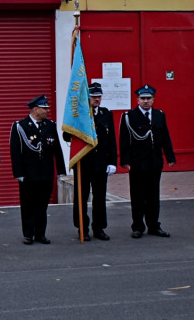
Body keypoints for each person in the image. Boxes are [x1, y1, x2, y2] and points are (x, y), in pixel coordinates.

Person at [119, 85, 175, 239]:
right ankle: (137, 226)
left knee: (153, 196)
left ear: (153, 100)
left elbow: (165, 137)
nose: (145, 101)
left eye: (148, 98)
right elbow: (124, 140)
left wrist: (170, 157)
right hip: (137, 163)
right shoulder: (129, 117)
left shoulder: (159, 115)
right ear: (137, 100)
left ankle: (153, 225)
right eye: (143, 98)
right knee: (137, 196)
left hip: (154, 162)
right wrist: (125, 160)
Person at [63, 83, 117, 241]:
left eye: (99, 97)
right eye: (94, 97)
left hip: (101, 163)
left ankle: (99, 228)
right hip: (83, 163)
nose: (97, 100)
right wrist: (71, 123)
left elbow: (111, 140)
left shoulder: (106, 114)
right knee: (81, 196)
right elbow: (67, 137)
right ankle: (82, 227)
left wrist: (112, 162)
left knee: (99, 197)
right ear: (88, 98)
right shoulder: (79, 115)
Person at [11, 95, 66, 245]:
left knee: (42, 205)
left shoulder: (50, 125)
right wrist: (18, 173)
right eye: (45, 108)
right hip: (29, 174)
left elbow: (57, 149)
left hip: (46, 173)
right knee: (28, 204)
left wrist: (61, 170)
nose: (48, 110)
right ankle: (28, 234)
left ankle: (40, 233)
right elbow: (15, 152)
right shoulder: (20, 126)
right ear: (35, 109)